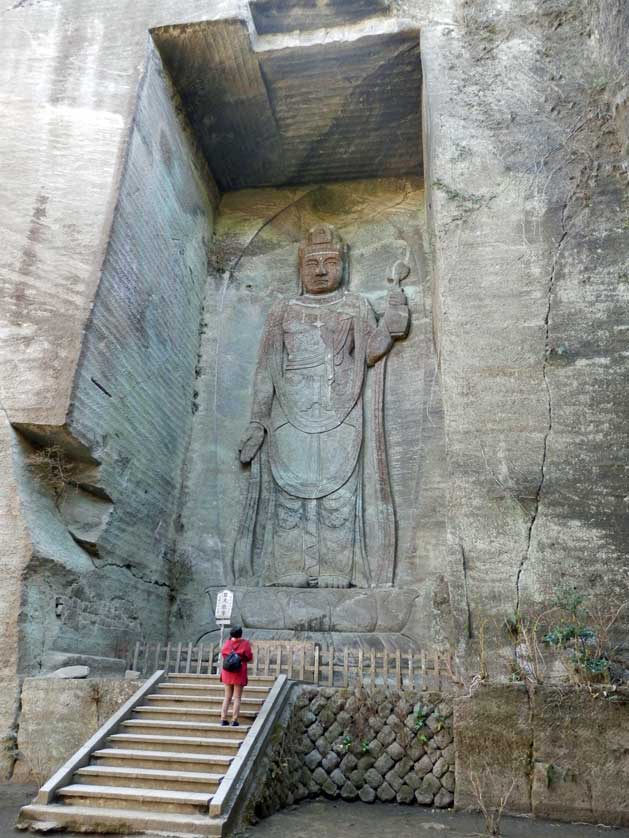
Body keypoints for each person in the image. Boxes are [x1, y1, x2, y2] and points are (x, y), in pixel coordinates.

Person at [232, 223, 409, 589]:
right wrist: (257, 421)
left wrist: (391, 325)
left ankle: (336, 572)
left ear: (343, 265)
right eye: (313, 263)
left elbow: (369, 354)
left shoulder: (355, 305)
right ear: (300, 267)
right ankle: (288, 571)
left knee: (339, 494)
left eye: (330, 262)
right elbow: (267, 368)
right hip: (289, 411)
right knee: (289, 495)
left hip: (341, 408)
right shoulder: (284, 309)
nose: (322, 271)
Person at [220, 625, 253, 726]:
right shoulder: (245, 643)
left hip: (227, 673)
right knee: (237, 697)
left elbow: (223, 653)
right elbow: (249, 656)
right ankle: (234, 720)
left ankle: (223, 719)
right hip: (239, 672)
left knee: (227, 697)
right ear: (241, 634)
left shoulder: (227, 643)